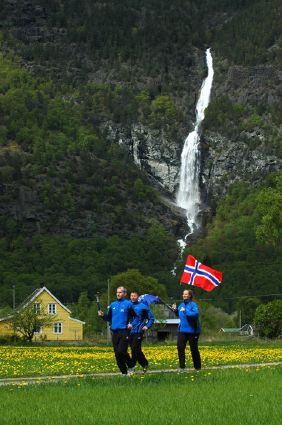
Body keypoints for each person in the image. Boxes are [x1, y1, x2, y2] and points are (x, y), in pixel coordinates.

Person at [98, 286, 135, 375]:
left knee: (122, 351)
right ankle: (124, 373)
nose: (118, 294)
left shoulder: (128, 304)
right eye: (117, 292)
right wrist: (102, 315)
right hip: (114, 332)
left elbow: (134, 317)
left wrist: (131, 323)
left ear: (125, 294)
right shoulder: (113, 305)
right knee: (117, 354)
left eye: (120, 292)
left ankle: (131, 365)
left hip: (124, 331)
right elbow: (108, 318)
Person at [172, 289, 201, 372]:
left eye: (186, 294)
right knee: (180, 347)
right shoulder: (181, 305)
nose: (184, 295)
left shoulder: (193, 304)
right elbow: (180, 315)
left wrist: (186, 311)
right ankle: (182, 367)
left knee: (194, 349)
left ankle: (197, 368)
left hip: (193, 331)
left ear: (190, 295)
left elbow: (195, 314)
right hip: (182, 330)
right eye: (183, 294)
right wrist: (175, 310)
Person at [128, 291, 154, 373]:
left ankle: (132, 367)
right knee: (136, 350)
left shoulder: (143, 307)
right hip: (129, 331)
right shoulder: (127, 305)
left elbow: (151, 318)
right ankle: (145, 364)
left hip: (139, 331)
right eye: (131, 296)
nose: (133, 297)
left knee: (134, 349)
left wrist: (147, 326)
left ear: (137, 297)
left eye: (134, 296)